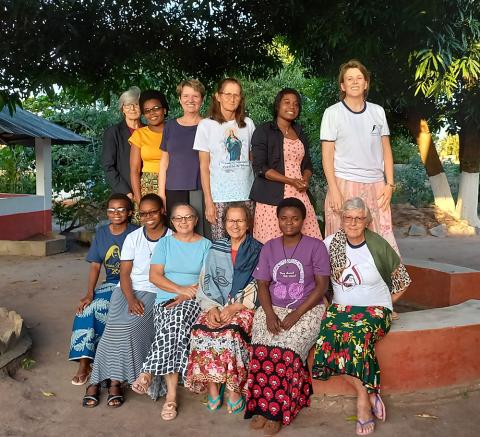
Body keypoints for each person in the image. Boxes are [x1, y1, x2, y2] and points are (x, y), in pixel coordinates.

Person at [311, 197, 411, 436]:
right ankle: (368, 391)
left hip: (374, 310)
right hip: (341, 310)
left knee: (356, 338)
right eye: (348, 217)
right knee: (327, 340)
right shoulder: (331, 243)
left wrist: (387, 304)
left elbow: (403, 282)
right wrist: (325, 302)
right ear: (341, 219)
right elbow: (316, 278)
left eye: (359, 218)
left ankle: (363, 404)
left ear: (367, 221)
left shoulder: (378, 245)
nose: (353, 223)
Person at [244, 198, 330, 435]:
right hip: (273, 307)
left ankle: (277, 411)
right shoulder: (270, 247)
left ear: (303, 220)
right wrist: (269, 314)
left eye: (295, 218)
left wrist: (296, 314)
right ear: (278, 220)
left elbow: (322, 286)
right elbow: (262, 285)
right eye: (284, 218)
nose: (289, 223)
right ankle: (261, 407)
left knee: (286, 350)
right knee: (261, 348)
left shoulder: (316, 246)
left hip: (308, 309)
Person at [83, 194, 172, 408]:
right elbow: (124, 274)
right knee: (112, 327)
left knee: (130, 326)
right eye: (144, 213)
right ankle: (101, 380)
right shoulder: (133, 238)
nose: (148, 217)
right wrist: (130, 298)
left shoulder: (172, 238)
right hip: (125, 290)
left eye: (153, 212)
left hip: (155, 291)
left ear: (162, 212)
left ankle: (112, 381)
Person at [131, 204, 211, 421]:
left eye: (188, 217)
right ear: (172, 222)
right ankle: (179, 386)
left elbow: (206, 279)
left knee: (175, 319)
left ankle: (153, 377)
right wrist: (180, 290)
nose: (183, 222)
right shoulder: (165, 243)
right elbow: (155, 276)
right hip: (165, 302)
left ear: (196, 220)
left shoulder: (206, 245)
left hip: (195, 301)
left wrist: (187, 295)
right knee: (173, 325)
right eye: (178, 218)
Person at [185, 203, 262, 414]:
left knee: (230, 333)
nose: (235, 225)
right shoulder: (216, 248)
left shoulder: (258, 249)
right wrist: (211, 308)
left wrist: (236, 306)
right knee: (201, 329)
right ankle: (213, 385)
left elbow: (261, 283)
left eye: (240, 220)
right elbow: (206, 280)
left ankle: (234, 389)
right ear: (224, 223)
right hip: (215, 304)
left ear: (248, 224)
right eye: (230, 220)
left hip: (244, 305)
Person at [321, 59, 399, 254]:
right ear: (342, 85)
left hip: (376, 186)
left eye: (359, 78)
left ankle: (380, 284)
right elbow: (327, 155)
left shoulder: (377, 112)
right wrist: (334, 189)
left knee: (381, 242)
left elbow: (386, 150)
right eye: (349, 79)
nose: (354, 82)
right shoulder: (332, 113)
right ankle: (341, 285)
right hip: (343, 184)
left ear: (366, 84)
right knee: (342, 244)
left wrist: (389, 184)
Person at [69, 194, 137, 385]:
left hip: (133, 283)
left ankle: (108, 363)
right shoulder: (101, 233)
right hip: (111, 283)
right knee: (86, 309)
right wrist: (89, 293)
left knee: (104, 306)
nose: (116, 213)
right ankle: (84, 362)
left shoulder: (137, 232)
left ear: (130, 212)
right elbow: (95, 266)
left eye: (121, 209)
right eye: (111, 210)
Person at [250, 88, 322, 244]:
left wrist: (305, 179)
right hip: (271, 197)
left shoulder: (299, 131)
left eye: (296, 104)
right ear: (277, 105)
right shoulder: (264, 131)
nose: (292, 107)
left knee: (310, 241)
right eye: (287, 102)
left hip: (299, 193)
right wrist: (291, 181)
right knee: (271, 244)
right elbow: (260, 167)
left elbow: (307, 163)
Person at [193, 77, 255, 240]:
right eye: (227, 94)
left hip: (246, 194)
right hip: (219, 196)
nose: (232, 99)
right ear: (217, 96)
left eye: (236, 95)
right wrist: (209, 201)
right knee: (222, 243)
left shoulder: (248, 124)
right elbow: (204, 166)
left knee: (247, 242)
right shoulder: (206, 125)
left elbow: (252, 159)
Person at [158, 79, 207, 234]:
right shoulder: (170, 126)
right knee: (176, 232)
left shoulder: (209, 125)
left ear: (202, 99)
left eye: (195, 96)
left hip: (200, 188)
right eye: (186, 96)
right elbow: (164, 162)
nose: (190, 100)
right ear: (179, 99)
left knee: (200, 232)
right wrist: (161, 194)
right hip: (173, 189)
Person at [129, 90, 169, 205]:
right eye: (147, 111)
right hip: (149, 184)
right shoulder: (139, 134)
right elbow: (134, 170)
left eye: (156, 108)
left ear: (164, 110)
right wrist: (139, 199)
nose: (152, 113)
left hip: (173, 182)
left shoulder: (175, 130)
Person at [102, 87, 142, 197]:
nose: (132, 108)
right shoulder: (113, 132)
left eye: (136, 104)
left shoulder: (148, 130)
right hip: (124, 194)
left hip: (149, 190)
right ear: (122, 109)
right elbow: (108, 166)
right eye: (128, 105)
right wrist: (127, 192)